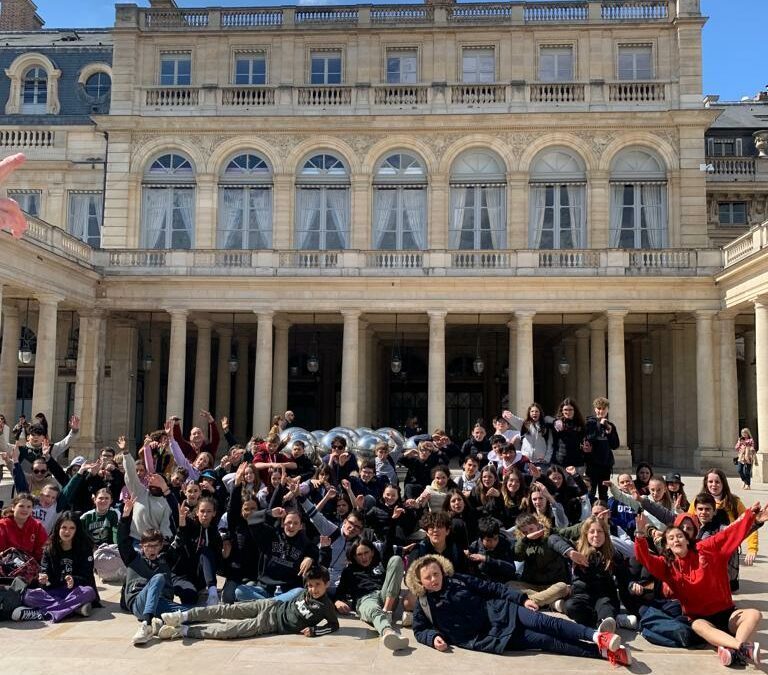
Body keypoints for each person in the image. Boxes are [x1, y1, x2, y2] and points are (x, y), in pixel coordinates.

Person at [406, 554, 630, 665]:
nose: (434, 579)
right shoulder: (424, 603)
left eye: (436, 574)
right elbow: (420, 629)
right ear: (420, 581)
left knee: (547, 622)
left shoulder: (458, 580)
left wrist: (521, 599)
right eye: (428, 577)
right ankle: (603, 653)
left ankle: (597, 636)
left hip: (502, 611)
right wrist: (432, 636)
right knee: (546, 642)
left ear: (442, 571)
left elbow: (491, 587)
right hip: (487, 637)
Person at [634, 504, 768, 667]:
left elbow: (728, 535)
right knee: (697, 626)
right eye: (671, 538)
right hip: (701, 620)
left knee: (754, 614)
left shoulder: (705, 549)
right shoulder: (666, 566)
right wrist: (640, 535)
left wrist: (751, 518)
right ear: (667, 545)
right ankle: (740, 647)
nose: (676, 539)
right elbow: (645, 559)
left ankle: (735, 648)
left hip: (726, 614)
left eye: (680, 536)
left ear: (687, 540)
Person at [155, 564, 339, 641]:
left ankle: (185, 630)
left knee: (232, 630)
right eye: (311, 585)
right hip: (270, 606)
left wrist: (315, 631)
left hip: (272, 623)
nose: (314, 589)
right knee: (227, 609)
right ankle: (183, 615)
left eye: (318, 585)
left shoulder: (326, 606)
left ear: (326, 584)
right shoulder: (305, 591)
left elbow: (334, 625)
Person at [118, 495, 192, 645]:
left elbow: (179, 542)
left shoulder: (165, 559)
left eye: (155, 546)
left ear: (160, 546)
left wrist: (182, 522)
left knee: (190, 614)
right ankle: (146, 625)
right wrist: (126, 516)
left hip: (161, 602)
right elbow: (122, 540)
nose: (152, 550)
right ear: (142, 546)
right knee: (158, 578)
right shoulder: (133, 558)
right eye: (148, 546)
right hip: (139, 603)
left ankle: (163, 624)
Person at [14, 512, 99, 622]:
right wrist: (44, 578)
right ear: (58, 528)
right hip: (56, 591)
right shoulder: (49, 549)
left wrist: (74, 580)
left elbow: (87, 576)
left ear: (76, 530)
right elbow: (45, 572)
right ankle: (74, 609)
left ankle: (42, 613)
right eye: (64, 527)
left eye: (72, 528)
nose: (67, 531)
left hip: (76, 590)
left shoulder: (84, 548)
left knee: (89, 592)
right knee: (27, 596)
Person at [561, 516, 635, 631]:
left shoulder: (613, 554)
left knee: (606, 609)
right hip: (582, 596)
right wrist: (569, 552)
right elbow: (553, 538)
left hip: (604, 597)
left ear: (605, 534)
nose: (596, 535)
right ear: (586, 534)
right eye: (592, 532)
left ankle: (607, 622)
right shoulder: (576, 549)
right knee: (570, 607)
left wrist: (631, 584)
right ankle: (614, 620)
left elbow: (624, 577)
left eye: (600, 531)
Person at [334, 540, 409, 651]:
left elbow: (388, 547)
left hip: (387, 597)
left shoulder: (380, 565)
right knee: (374, 609)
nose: (364, 557)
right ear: (354, 557)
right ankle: (388, 632)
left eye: (366, 552)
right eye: (359, 554)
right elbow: (339, 593)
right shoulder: (349, 571)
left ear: (372, 552)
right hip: (365, 599)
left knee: (396, 559)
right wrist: (337, 601)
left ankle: (386, 611)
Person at [583, 397, 619, 501]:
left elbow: (615, 445)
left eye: (604, 408)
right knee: (590, 492)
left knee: (603, 494)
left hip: (605, 465)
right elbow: (589, 439)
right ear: (595, 409)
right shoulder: (589, 423)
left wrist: (610, 432)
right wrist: (600, 425)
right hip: (592, 464)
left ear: (607, 410)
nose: (601, 411)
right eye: (599, 408)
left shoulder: (610, 425)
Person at [0, 492, 47, 561]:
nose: (25, 509)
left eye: (29, 507)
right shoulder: (3, 525)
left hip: (30, 565)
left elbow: (42, 550)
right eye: (21, 506)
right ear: (13, 507)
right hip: (7, 565)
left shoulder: (37, 526)